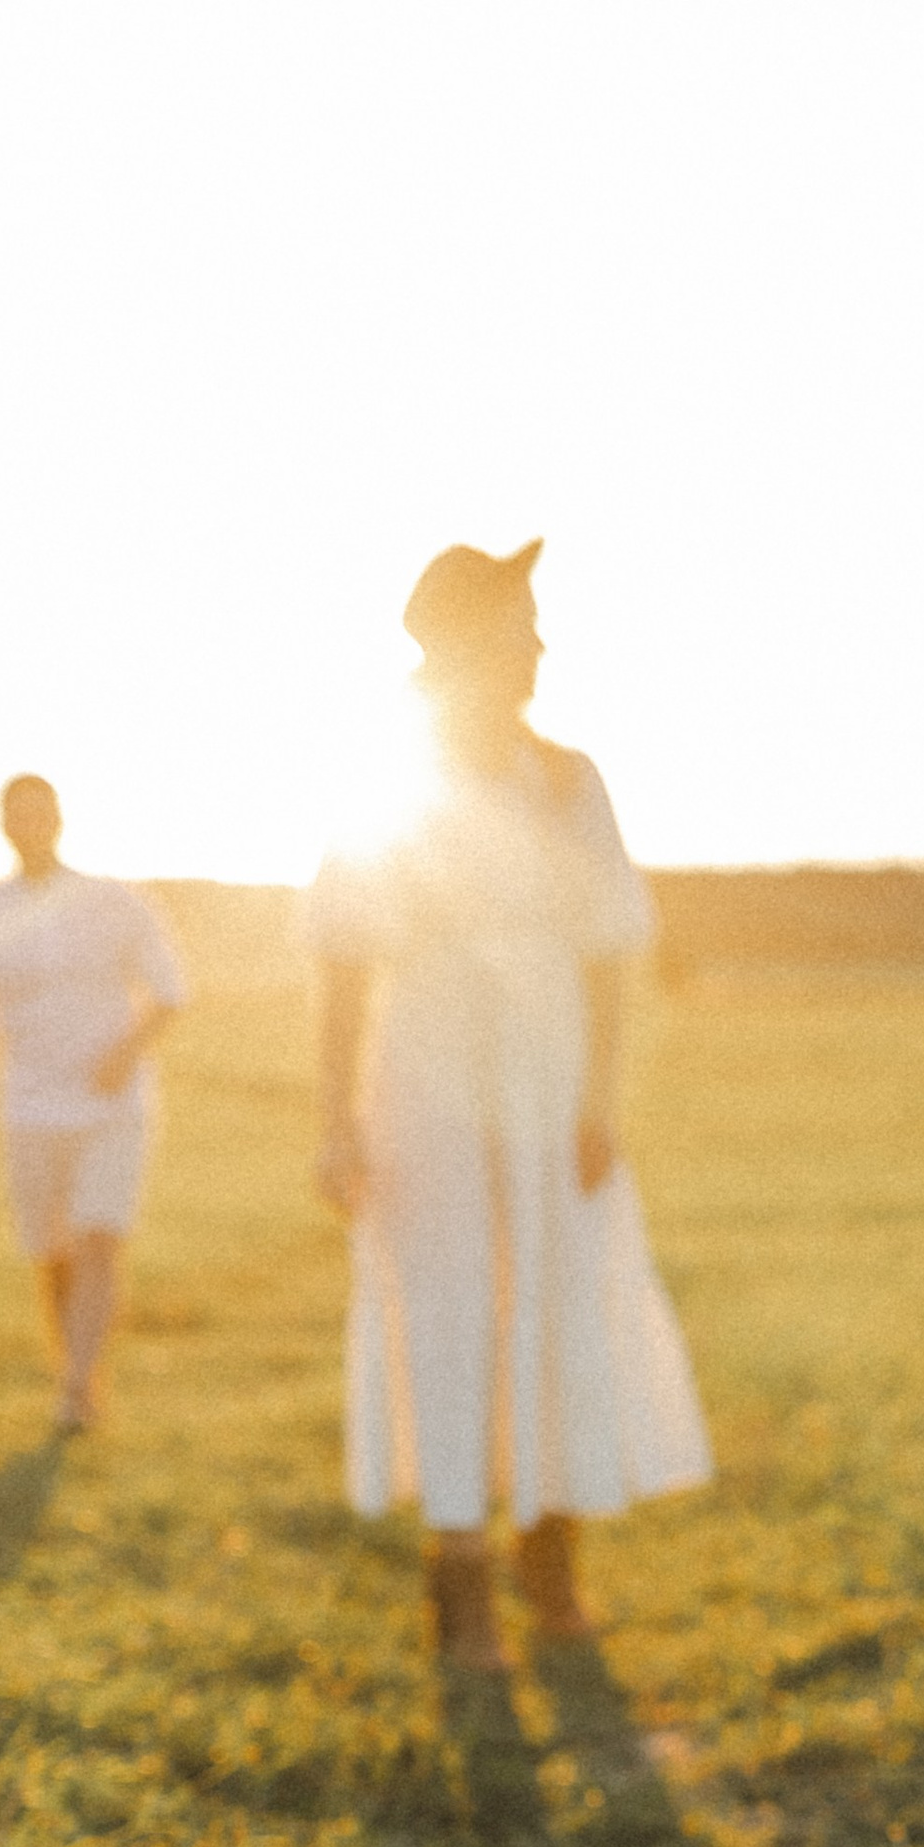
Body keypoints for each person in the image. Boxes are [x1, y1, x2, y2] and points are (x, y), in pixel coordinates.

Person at [306, 539, 709, 1662]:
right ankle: (460, 1573)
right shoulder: (391, 785)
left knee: (560, 1291)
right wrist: (334, 1120)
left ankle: (552, 1550)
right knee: (441, 1303)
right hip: (425, 1060)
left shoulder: (570, 781)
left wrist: (599, 1098)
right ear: (460, 643)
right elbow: (341, 963)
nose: (538, 646)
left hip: (547, 1066)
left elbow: (607, 952)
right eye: (519, 626)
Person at [0, 775, 187, 1430]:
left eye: (39, 814)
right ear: (2, 824)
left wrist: (123, 1053)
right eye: (16, 815)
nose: (29, 826)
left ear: (59, 819)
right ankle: (79, 1373)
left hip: (113, 1105)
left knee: (99, 1237)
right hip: (28, 1106)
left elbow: (170, 991)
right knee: (54, 1254)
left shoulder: (116, 903)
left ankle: (76, 1389)